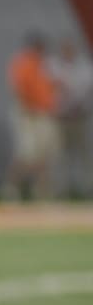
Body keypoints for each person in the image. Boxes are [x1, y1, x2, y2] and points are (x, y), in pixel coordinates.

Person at [1, 33, 59, 202]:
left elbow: (51, 87)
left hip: (44, 113)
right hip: (28, 114)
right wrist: (27, 109)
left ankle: (42, 190)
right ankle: (11, 187)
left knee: (45, 153)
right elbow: (18, 89)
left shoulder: (45, 64)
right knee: (26, 153)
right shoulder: (23, 63)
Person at [49, 36, 93, 199]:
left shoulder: (84, 67)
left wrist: (80, 103)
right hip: (60, 118)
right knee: (59, 155)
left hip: (80, 116)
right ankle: (61, 191)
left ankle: (88, 189)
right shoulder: (53, 66)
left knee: (84, 154)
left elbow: (88, 91)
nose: (68, 52)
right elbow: (50, 90)